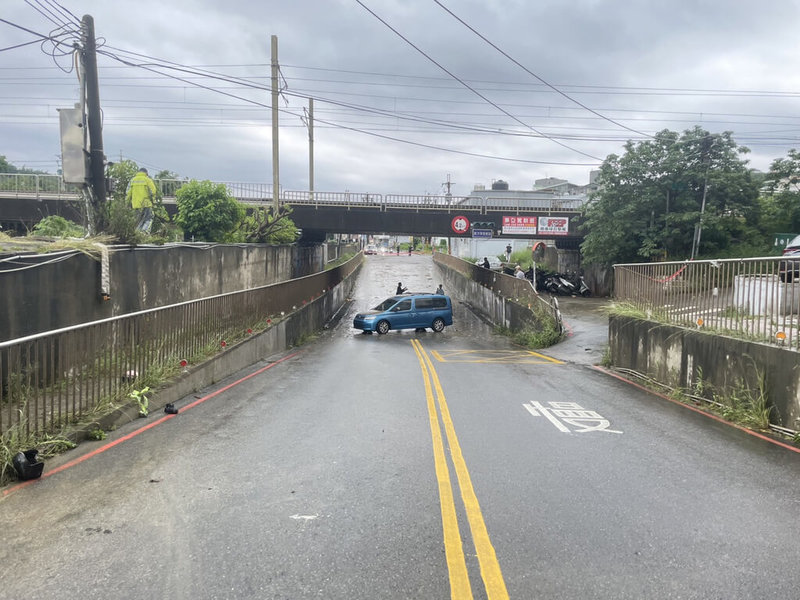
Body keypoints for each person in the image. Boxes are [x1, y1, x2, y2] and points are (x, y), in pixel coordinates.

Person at [126, 167, 157, 233]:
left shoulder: (132, 180)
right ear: (146, 173)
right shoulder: (147, 180)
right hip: (146, 204)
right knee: (149, 218)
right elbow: (153, 191)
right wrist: (154, 201)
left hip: (136, 205)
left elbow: (128, 193)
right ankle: (144, 232)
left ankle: (137, 233)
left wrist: (126, 203)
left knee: (139, 220)